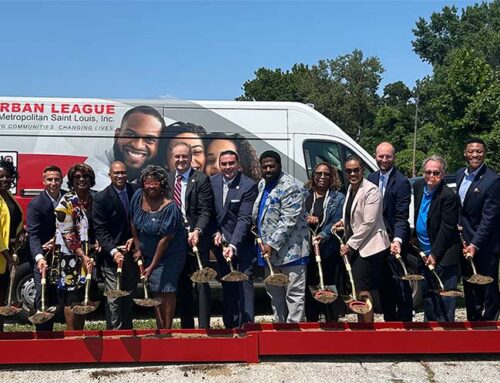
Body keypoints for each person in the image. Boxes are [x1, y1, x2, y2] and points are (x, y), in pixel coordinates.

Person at [252, 150, 309, 323]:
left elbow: (288, 221)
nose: (268, 170)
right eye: (265, 167)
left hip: (291, 253)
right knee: (275, 297)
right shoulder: (263, 184)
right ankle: (280, 332)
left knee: (294, 297)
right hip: (269, 255)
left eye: (272, 166)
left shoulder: (289, 187)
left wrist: (271, 244)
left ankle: (294, 337)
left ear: (279, 166)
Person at [332, 156, 390, 323]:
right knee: (357, 288)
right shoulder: (351, 188)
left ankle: (367, 327)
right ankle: (362, 325)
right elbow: (354, 214)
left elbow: (369, 222)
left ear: (362, 170)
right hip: (358, 246)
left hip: (370, 247)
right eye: (349, 171)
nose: (352, 174)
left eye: (356, 170)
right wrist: (343, 222)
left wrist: (349, 245)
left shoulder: (371, 190)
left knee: (363, 289)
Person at [130, 165, 187, 329]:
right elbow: (133, 221)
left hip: (170, 255)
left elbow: (165, 239)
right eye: (146, 183)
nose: (149, 186)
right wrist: (137, 245)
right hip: (148, 252)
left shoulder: (170, 207)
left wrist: (152, 266)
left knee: (166, 289)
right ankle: (160, 328)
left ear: (162, 184)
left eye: (154, 183)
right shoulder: (138, 196)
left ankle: (167, 330)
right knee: (155, 288)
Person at [167, 142, 214, 329]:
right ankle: (187, 328)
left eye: (184, 156)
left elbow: (205, 210)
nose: (180, 160)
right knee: (183, 286)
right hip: (175, 243)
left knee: (202, 285)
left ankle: (204, 328)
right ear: (173, 157)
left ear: (190, 157)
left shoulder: (201, 179)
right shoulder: (168, 179)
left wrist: (197, 230)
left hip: (197, 240)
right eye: (177, 156)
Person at [210, 150, 258, 328]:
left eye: (231, 163)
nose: (228, 167)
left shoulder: (248, 185)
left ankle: (247, 326)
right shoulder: (212, 181)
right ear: (219, 165)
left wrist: (233, 244)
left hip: (241, 243)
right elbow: (210, 212)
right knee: (227, 285)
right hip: (220, 244)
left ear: (238, 165)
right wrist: (215, 232)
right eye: (224, 164)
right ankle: (230, 325)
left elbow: (244, 219)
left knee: (244, 283)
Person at [367, 142, 413, 322]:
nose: (384, 160)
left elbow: (402, 216)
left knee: (400, 284)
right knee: (384, 284)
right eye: (381, 156)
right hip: (376, 241)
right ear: (375, 155)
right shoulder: (370, 178)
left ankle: (405, 323)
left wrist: (398, 240)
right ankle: (389, 322)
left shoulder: (401, 182)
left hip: (394, 240)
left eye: (388, 156)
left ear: (394, 157)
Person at [456, 138, 500, 321]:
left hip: (485, 243)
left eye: (479, 151)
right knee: (470, 284)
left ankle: (490, 323)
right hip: (464, 240)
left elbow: (490, 218)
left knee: (487, 285)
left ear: (484, 154)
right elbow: (461, 208)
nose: (475, 155)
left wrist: (475, 243)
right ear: (465, 153)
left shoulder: (492, 180)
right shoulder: (460, 174)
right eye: (471, 151)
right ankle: (473, 322)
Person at [413, 155, 461, 322]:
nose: (431, 176)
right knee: (429, 297)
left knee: (445, 298)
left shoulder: (448, 196)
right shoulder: (419, 186)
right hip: (424, 252)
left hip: (443, 254)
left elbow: (446, 230)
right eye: (428, 172)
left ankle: (447, 338)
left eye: (436, 173)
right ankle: (429, 336)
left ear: (443, 174)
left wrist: (434, 254)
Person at [92, 161, 139, 330]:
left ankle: (127, 331)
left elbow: (140, 220)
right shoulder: (100, 198)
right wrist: (113, 251)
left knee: (129, 294)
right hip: (111, 256)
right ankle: (114, 334)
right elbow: (100, 230)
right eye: (116, 173)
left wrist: (135, 239)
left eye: (123, 173)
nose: (120, 176)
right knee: (114, 297)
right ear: (110, 175)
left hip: (132, 253)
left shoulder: (137, 192)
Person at [54, 163, 97, 330]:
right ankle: (72, 337)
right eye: (77, 177)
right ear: (71, 181)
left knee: (83, 296)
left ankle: (80, 334)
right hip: (70, 257)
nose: (81, 179)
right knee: (72, 297)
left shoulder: (92, 199)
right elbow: (68, 235)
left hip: (88, 255)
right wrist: (82, 255)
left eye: (85, 176)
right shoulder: (65, 202)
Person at [86, 105, 170, 190]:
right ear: (117, 135)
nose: (138, 145)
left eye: (149, 139)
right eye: (130, 135)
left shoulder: (155, 169)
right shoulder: (96, 173)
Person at [304, 162, 345, 322]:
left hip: (328, 250)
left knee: (329, 285)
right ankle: (312, 323)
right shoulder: (303, 194)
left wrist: (322, 233)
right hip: (307, 249)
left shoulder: (338, 197)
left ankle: (331, 323)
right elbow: (296, 213)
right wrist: (306, 217)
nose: (322, 177)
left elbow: (336, 220)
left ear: (332, 177)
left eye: (326, 174)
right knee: (310, 287)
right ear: (313, 175)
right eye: (318, 173)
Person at [27, 165, 65, 331]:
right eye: (50, 179)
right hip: (45, 256)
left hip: (65, 255)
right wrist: (39, 256)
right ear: (43, 181)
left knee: (63, 295)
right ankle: (43, 335)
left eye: (57, 179)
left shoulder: (68, 198)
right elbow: (33, 234)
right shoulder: (36, 204)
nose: (53, 183)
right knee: (43, 295)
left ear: (62, 180)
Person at [0, 159, 23, 332]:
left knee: (2, 301)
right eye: (0, 176)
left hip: (6, 261)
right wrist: (8, 256)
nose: (4, 180)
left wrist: (21, 234)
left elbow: (14, 226)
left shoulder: (9, 199)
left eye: (7, 176)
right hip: (3, 258)